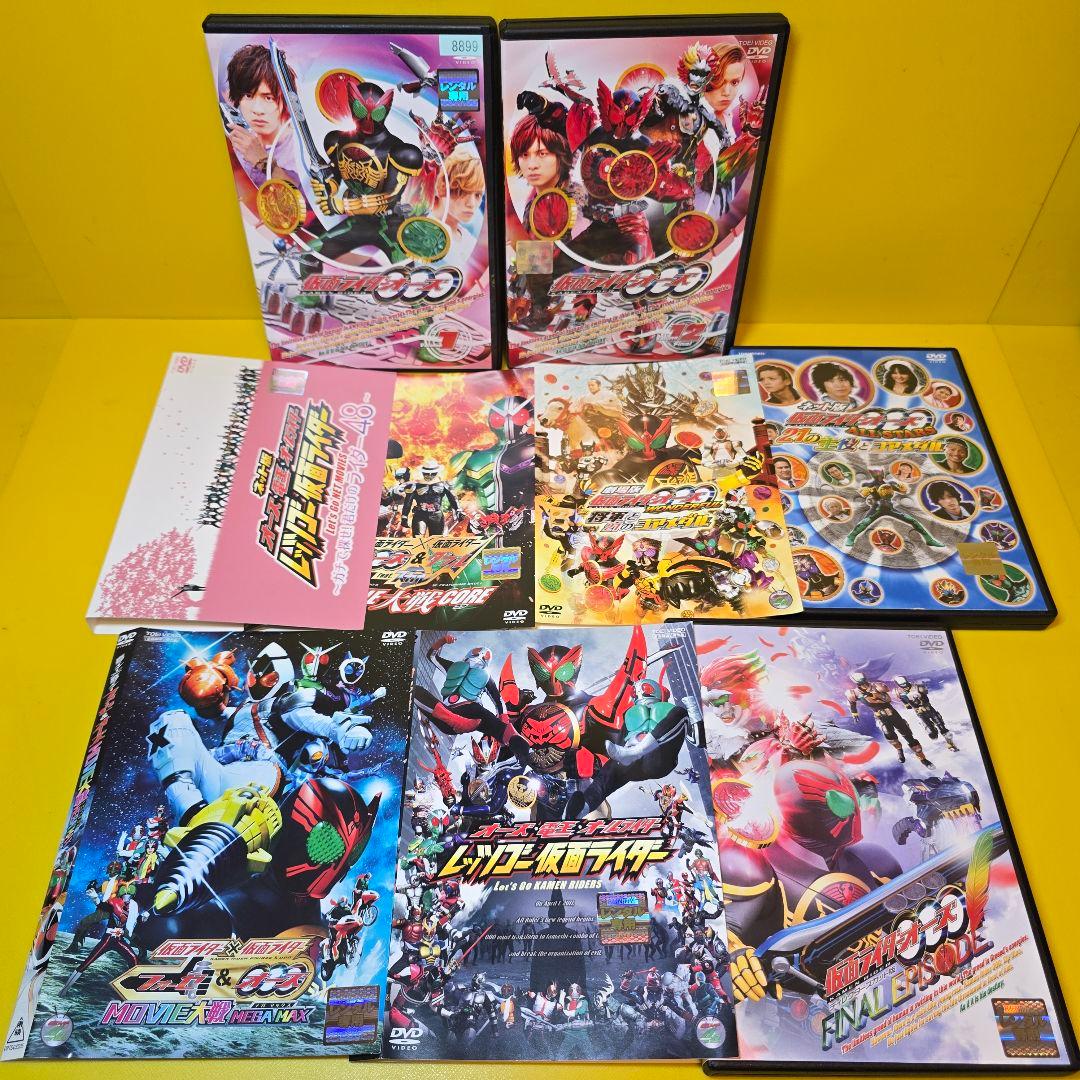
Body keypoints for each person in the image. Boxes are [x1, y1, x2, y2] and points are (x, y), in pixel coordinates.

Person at [224, 43, 300, 189]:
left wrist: (262, 160)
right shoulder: (233, 144)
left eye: (268, 98)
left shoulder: (300, 151)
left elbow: (304, 200)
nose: (257, 110)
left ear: (286, 101)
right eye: (248, 96)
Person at [432, 147, 485, 253]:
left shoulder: (470, 243)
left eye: (478, 195)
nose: (471, 204)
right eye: (463, 192)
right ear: (442, 185)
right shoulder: (418, 227)